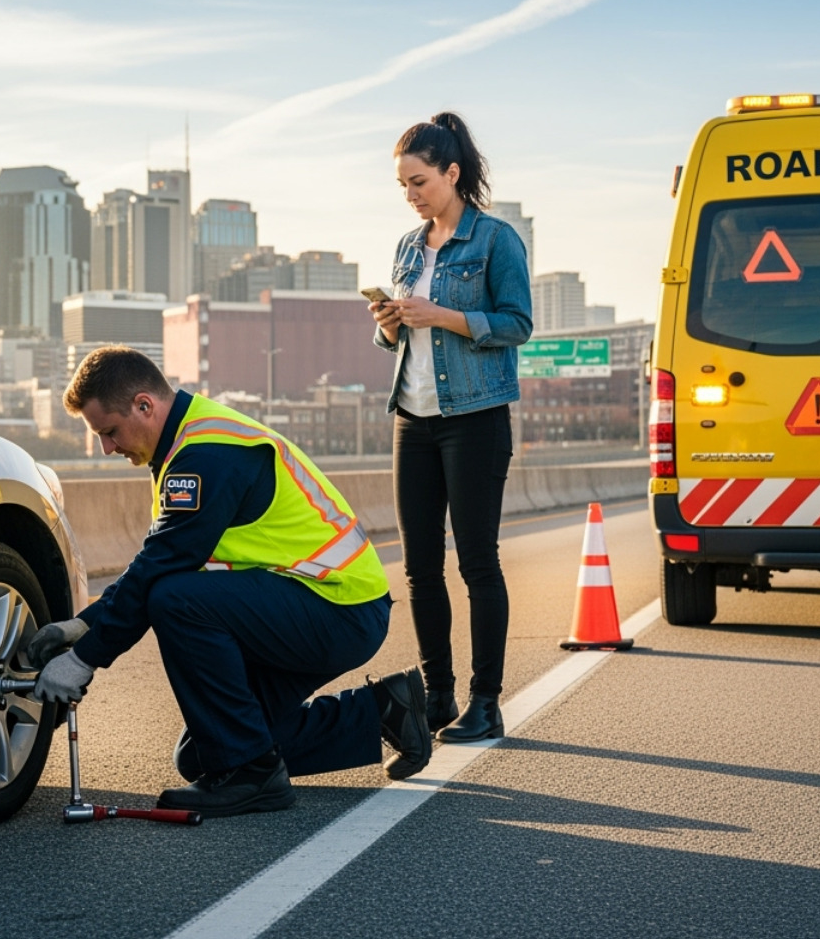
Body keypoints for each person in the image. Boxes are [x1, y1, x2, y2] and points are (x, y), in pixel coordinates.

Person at [27, 347, 432, 817]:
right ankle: (383, 710)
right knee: (204, 753)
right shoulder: (188, 442)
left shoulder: (208, 453)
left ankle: (254, 776)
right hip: (313, 606)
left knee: (175, 600)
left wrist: (84, 659)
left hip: (338, 607)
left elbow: (161, 567)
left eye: (109, 431)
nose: (107, 448)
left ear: (144, 405)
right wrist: (84, 625)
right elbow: (158, 560)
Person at [369, 112, 532, 744]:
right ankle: (437, 696)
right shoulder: (408, 247)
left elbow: (517, 324)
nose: (411, 195)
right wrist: (388, 324)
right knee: (418, 567)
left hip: (475, 418)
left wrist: (441, 314)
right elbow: (395, 341)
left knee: (478, 563)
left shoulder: (495, 240)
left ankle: (485, 703)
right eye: (403, 186)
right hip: (413, 419)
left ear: (452, 173)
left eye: (419, 182)